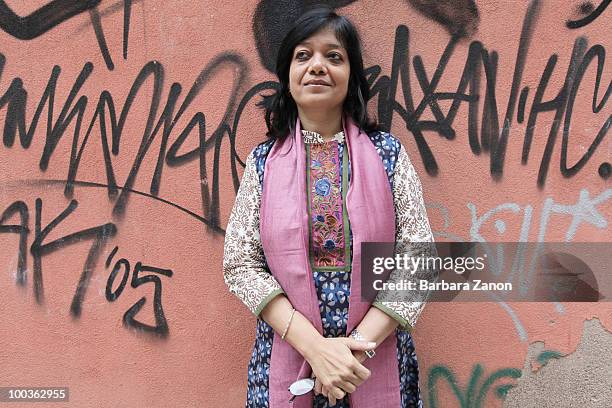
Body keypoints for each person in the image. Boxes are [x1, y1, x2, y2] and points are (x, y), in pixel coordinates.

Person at [223, 7, 436, 408]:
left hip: (372, 358)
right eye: (303, 56)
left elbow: (419, 260)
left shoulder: (387, 155)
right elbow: (240, 263)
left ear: (351, 75)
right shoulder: (263, 163)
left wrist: (351, 352)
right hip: (287, 355)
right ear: (287, 75)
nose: (317, 66)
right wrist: (316, 350)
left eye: (333, 56)